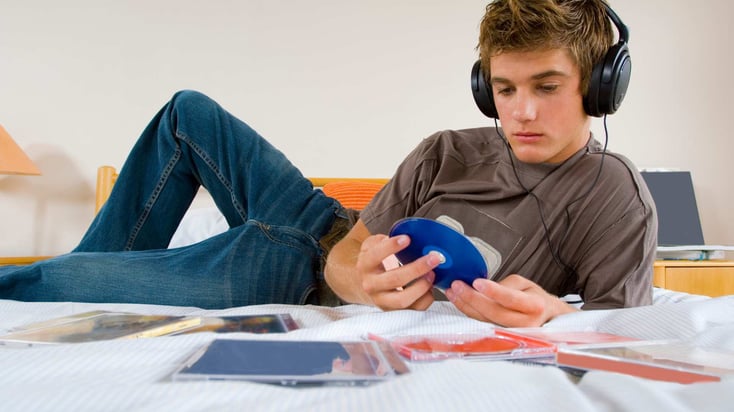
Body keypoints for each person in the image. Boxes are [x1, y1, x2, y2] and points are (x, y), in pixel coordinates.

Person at [0, 0, 656, 328]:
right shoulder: (447, 150)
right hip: (318, 225)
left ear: (599, 89)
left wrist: (556, 314)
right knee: (187, 112)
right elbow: (352, 251)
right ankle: (104, 274)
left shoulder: (614, 197)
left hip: (288, 276)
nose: (520, 115)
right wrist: (359, 277)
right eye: (505, 91)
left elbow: (621, 325)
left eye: (545, 87)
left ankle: (89, 281)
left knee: (47, 280)